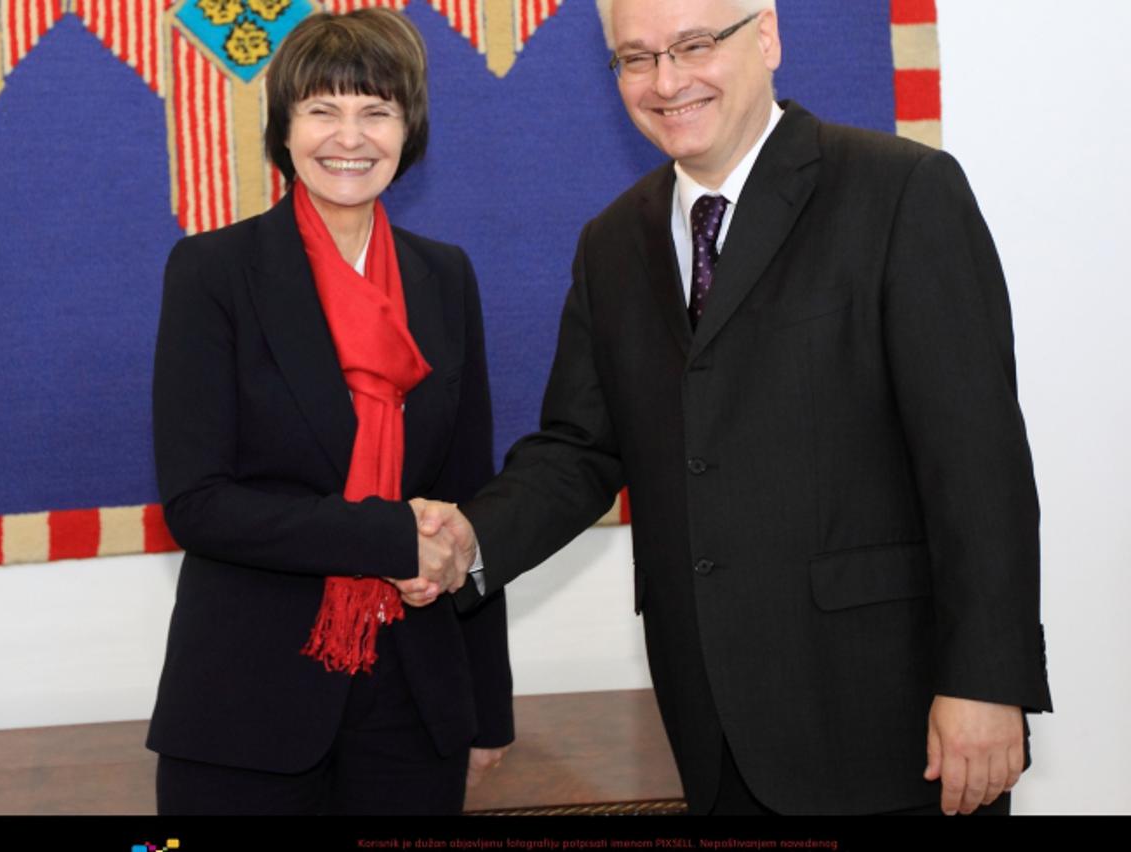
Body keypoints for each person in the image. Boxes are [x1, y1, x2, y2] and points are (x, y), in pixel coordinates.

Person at [413, 0, 1051, 816]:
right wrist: (468, 540)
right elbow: (578, 451)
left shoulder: (900, 191)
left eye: (695, 45)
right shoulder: (612, 242)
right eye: (635, 58)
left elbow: (979, 464)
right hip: (710, 730)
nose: (666, 81)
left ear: (768, 37)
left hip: (894, 726)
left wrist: (986, 684)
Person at [145, 8, 512, 815]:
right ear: (284, 128)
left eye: (377, 110)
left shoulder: (443, 278)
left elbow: (468, 502)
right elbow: (198, 504)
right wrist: (387, 539)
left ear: (408, 129)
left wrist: (487, 710)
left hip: (415, 707)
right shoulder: (213, 271)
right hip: (248, 705)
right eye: (323, 109)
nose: (351, 137)